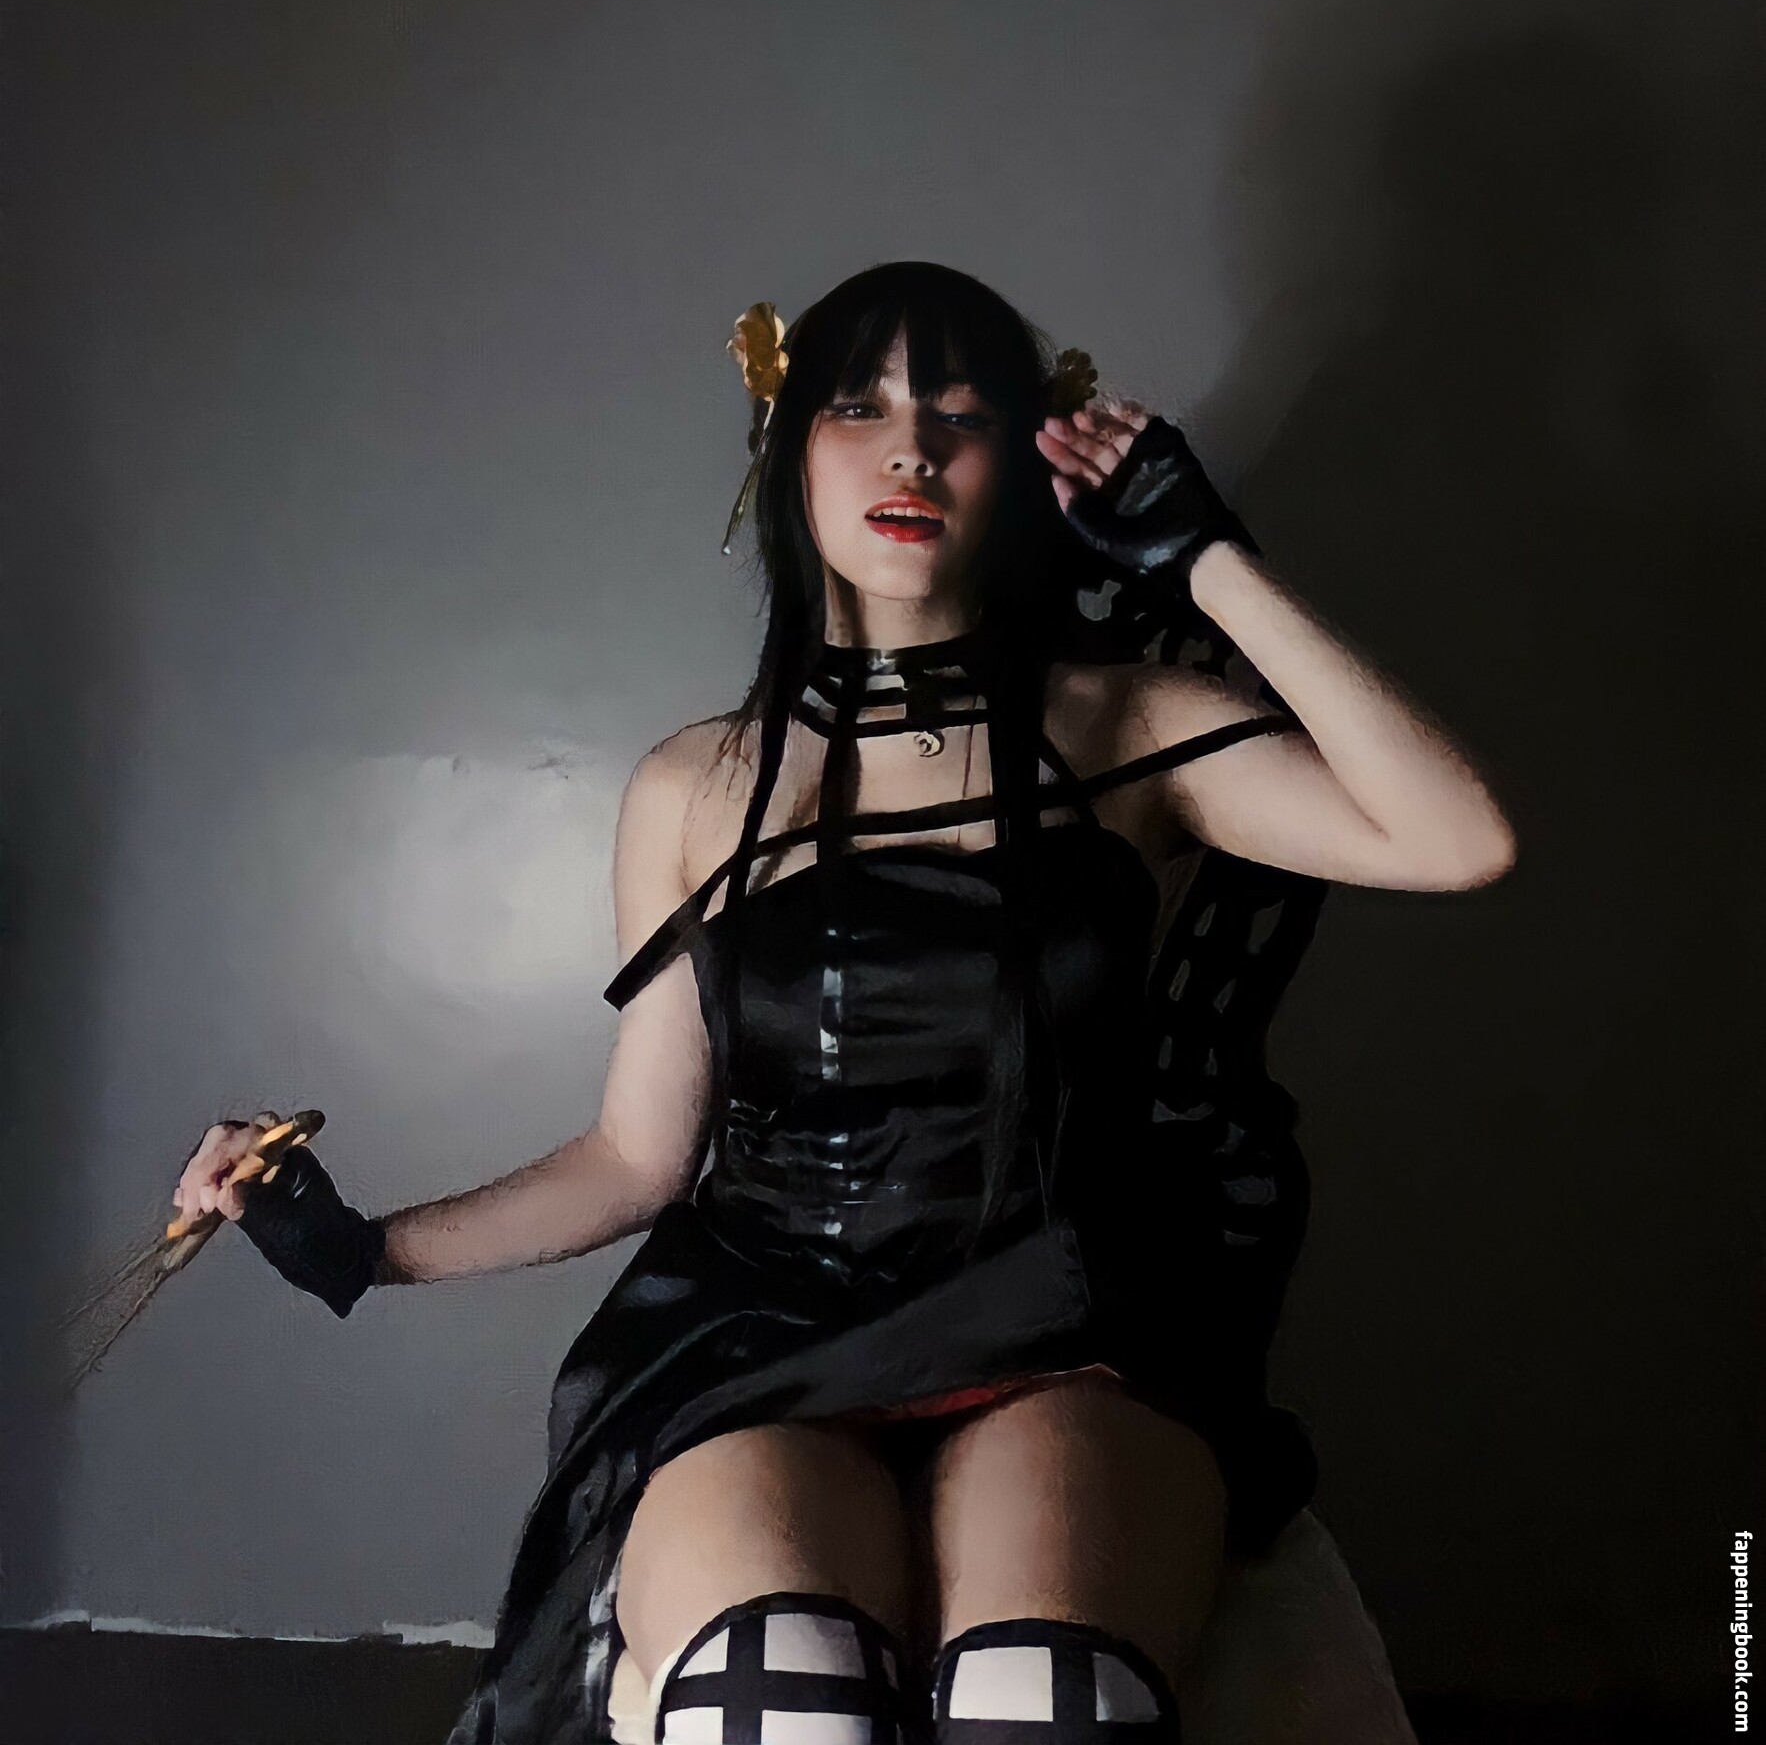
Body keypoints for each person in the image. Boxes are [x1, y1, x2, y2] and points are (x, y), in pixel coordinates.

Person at [175, 261, 1515, 1745]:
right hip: (758, 1332)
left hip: (1064, 1327)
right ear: (785, 450)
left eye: (963, 415)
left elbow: (1457, 838)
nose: (911, 450)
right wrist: (364, 1248)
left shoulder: (1127, 722)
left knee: (1042, 1705)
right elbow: (636, 1157)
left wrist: (1201, 558)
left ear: (1026, 464)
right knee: (780, 1697)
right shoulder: (697, 786)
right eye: (858, 407)